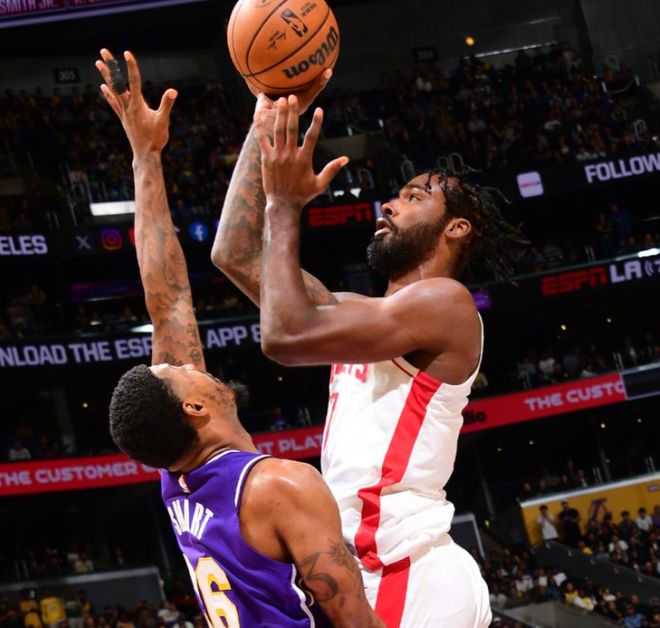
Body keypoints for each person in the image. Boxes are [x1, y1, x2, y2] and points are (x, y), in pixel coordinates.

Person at [214, 92, 525, 626]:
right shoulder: (359, 316)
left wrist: (284, 206)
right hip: (365, 564)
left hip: (408, 564)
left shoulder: (447, 303)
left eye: (415, 196)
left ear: (456, 228)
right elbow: (234, 254)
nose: (390, 204)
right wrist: (264, 121)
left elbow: (283, 336)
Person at [96, 49, 382, 628]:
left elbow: (168, 300)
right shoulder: (281, 485)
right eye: (182, 372)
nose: (189, 361)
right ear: (195, 408)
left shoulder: (179, 479)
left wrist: (146, 156)